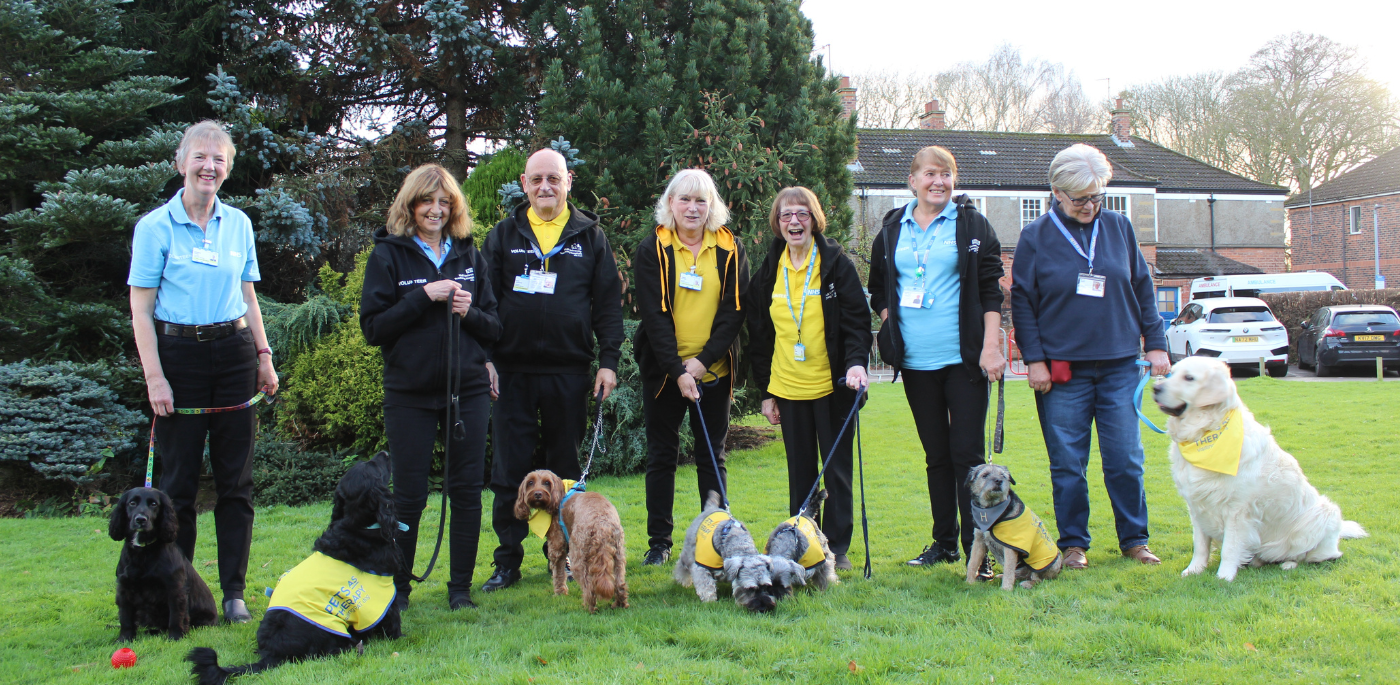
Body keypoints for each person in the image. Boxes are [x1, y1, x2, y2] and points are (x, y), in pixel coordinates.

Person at [128, 120, 277, 624]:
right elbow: (141, 310)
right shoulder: (154, 228)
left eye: (219, 159)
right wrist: (155, 377)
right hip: (180, 359)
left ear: (227, 168)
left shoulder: (238, 224)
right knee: (180, 487)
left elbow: (249, 296)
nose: (209, 166)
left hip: (234, 353)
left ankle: (234, 593)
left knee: (236, 484)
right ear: (180, 162)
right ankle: (183, 590)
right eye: (200, 157)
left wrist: (263, 355)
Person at [1010, 143, 1170, 570]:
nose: (1090, 206)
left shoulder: (1119, 227)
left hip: (1119, 364)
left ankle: (1135, 539)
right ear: (1057, 193)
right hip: (1063, 369)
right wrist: (1035, 359)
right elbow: (1022, 301)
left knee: (1126, 460)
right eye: (1080, 198)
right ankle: (1074, 544)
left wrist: (1155, 343)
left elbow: (1142, 287)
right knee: (1067, 463)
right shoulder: (1036, 236)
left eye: (1097, 196)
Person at [480, 148, 624, 591]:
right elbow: (483, 303)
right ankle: (507, 562)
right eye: (537, 179)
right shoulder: (503, 236)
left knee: (564, 471)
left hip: (568, 371)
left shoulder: (590, 237)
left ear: (569, 181)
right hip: (511, 373)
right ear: (524, 183)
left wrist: (608, 362)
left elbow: (608, 306)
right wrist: (484, 358)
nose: (545, 187)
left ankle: (561, 561)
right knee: (509, 471)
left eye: (554, 179)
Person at [360, 163, 500, 610]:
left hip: (469, 392)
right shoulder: (388, 255)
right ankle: (397, 591)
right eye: (427, 201)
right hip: (410, 395)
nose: (436, 210)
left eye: (444, 202)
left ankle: (459, 590)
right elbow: (374, 328)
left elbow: (494, 326)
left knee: (465, 490)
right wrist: (424, 296)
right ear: (411, 205)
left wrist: (466, 310)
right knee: (409, 496)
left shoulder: (468, 254)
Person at [867, 146, 1004, 578]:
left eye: (946, 175)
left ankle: (976, 549)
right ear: (913, 181)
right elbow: (879, 289)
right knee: (936, 456)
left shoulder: (970, 224)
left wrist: (991, 346)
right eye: (930, 174)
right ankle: (944, 543)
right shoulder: (892, 227)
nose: (938, 182)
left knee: (967, 454)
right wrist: (890, 327)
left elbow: (990, 289)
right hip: (916, 363)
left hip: (963, 360)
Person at [748, 187, 872, 571]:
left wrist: (855, 363)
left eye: (802, 214)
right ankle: (802, 542)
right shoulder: (770, 269)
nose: (794, 222)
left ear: (814, 219)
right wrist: (766, 391)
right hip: (788, 387)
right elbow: (759, 333)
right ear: (777, 223)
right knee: (799, 471)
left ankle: (837, 548)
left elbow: (857, 322)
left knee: (835, 471)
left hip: (831, 388)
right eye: (786, 215)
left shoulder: (835, 264)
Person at [633, 169, 750, 566]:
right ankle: (659, 543)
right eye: (684, 199)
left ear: (712, 206)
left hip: (713, 371)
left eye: (701, 200)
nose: (692, 207)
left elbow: (735, 310)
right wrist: (679, 370)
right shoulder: (652, 248)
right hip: (665, 373)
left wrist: (701, 364)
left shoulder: (730, 247)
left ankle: (717, 535)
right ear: (670, 204)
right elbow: (653, 316)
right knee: (661, 456)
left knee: (711, 456)